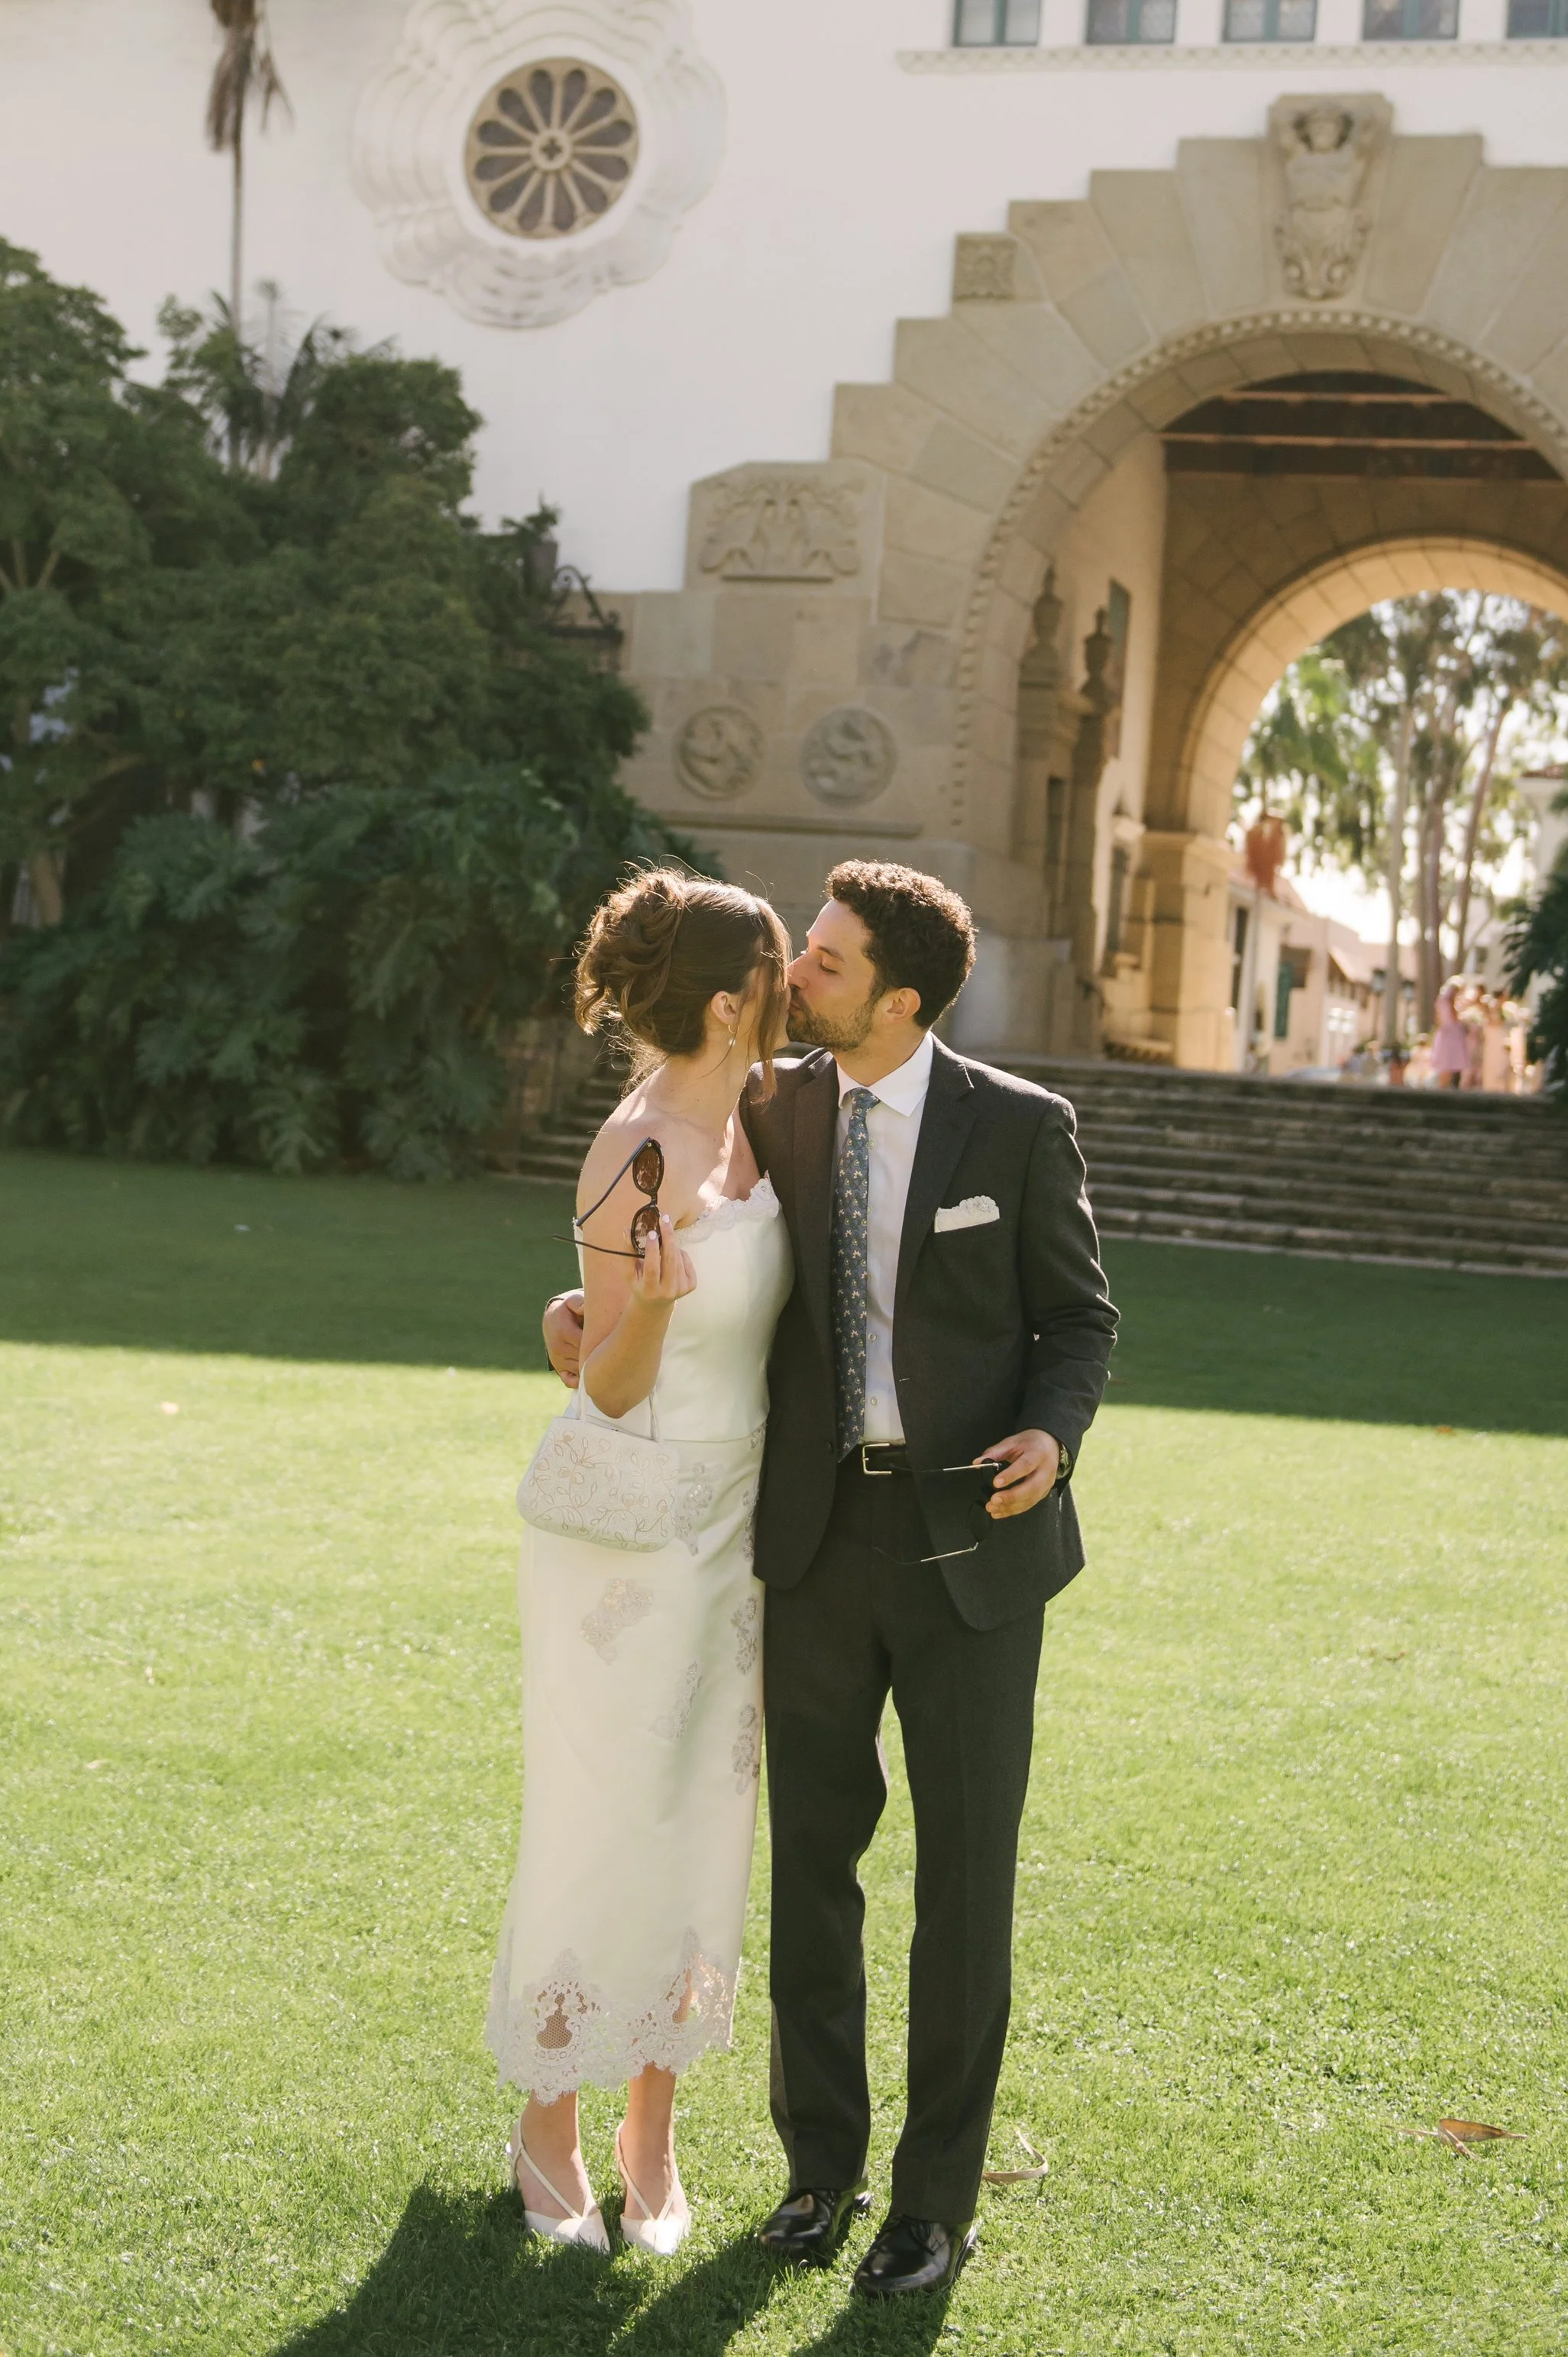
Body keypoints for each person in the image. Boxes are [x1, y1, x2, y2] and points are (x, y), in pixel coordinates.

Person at [545, 860, 1117, 2299]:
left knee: (965, 1879)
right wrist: (578, 1309)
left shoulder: (1021, 1126)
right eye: (802, 950)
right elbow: (655, 1226)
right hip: (801, 1540)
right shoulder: (775, 1105)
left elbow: (1079, 1315)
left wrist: (1054, 1426)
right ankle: (819, 2171)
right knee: (811, 1866)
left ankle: (931, 2203)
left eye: (831, 958)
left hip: (975, 1552)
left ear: (903, 997)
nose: (801, 973)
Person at [493, 871, 793, 2258]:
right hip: (623, 1532)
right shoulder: (638, 1149)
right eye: (780, 979)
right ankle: (546, 2124)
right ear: (732, 1001)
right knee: (602, 1811)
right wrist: (644, 1314)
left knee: (701, 1820)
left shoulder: (769, 1125)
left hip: (734, 1534)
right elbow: (607, 1384)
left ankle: (652, 2131)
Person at [1430, 978, 1469, 1091]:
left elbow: (1437, 1018)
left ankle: (1444, 1086)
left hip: (1445, 1032)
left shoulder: (1440, 1001)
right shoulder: (1450, 1002)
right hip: (1452, 1034)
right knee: (1449, 1061)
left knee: (1446, 1063)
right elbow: (1454, 1017)